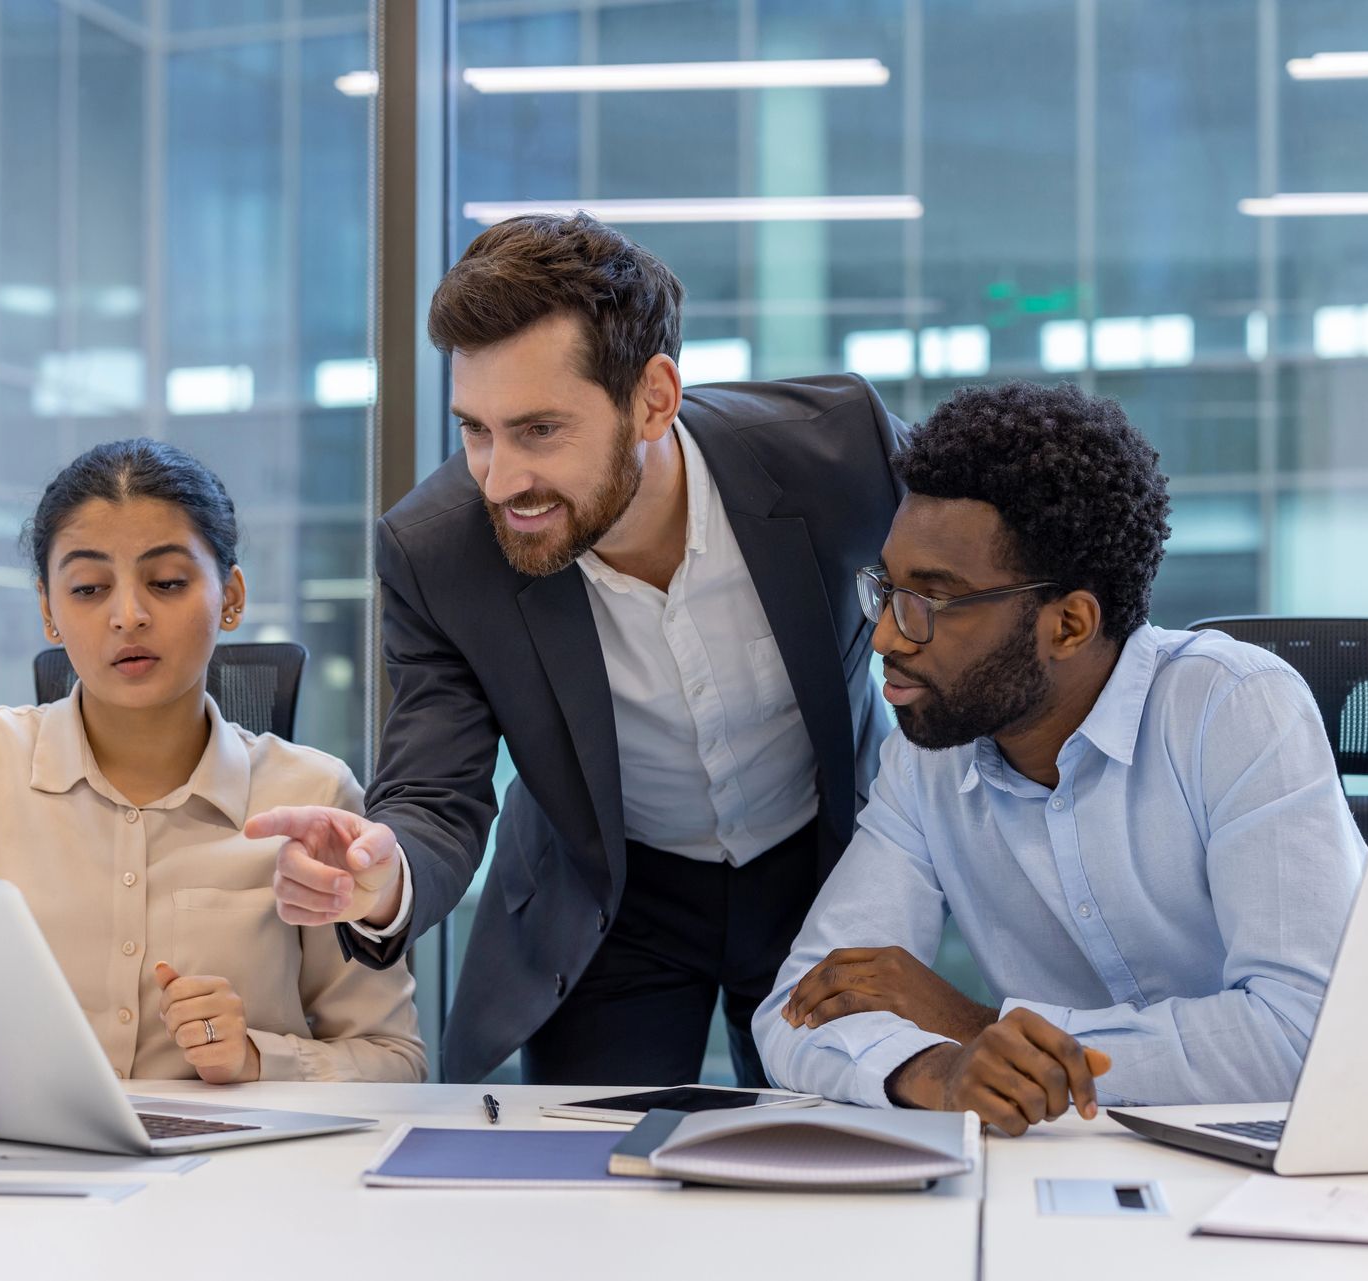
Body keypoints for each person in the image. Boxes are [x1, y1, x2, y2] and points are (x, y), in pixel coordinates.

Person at [246, 213, 906, 1085]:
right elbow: (433, 790)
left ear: (653, 399)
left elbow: (977, 578)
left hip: (819, 864)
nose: (499, 478)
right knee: (586, 1185)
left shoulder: (836, 448)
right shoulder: (436, 550)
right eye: (475, 429)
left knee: (833, 1161)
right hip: (612, 894)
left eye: (539, 430)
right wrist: (385, 873)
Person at [755, 381, 1366, 1135]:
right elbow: (796, 1012)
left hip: (1269, 1171)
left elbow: (1304, 1036)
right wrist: (937, 1069)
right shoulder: (929, 754)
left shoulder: (1234, 707)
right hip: (1062, 1170)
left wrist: (979, 1023)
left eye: (930, 602)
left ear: (1070, 624)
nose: (885, 637)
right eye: (886, 590)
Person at [0, 439, 426, 1085]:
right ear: (47, 611)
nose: (127, 615)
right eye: (89, 589)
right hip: (6, 1180)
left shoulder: (309, 793)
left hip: (222, 1193)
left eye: (166, 581)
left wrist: (258, 1057)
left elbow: (396, 1059)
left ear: (233, 597)